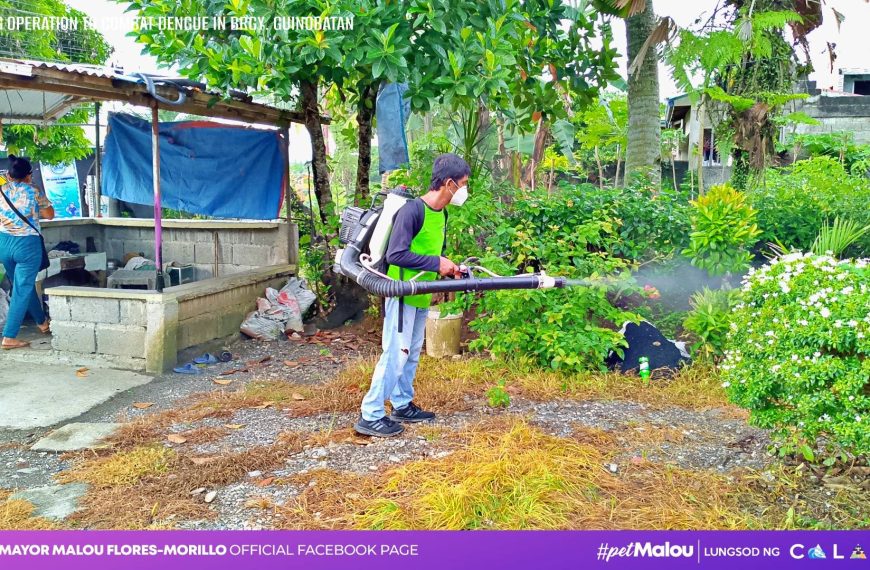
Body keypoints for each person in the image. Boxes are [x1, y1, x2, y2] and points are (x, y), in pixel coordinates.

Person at [355, 153, 470, 437]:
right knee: (396, 353)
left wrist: (447, 267)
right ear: (448, 183)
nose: (465, 190)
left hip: (421, 294)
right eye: (464, 184)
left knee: (411, 353)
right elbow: (397, 254)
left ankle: (402, 404)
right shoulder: (412, 211)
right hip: (402, 293)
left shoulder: (440, 213)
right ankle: (370, 415)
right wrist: (435, 264)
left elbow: (429, 253)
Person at [0, 155, 55, 349]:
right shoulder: (34, 191)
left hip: (4, 244)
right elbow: (50, 215)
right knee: (22, 289)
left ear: (8, 174)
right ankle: (9, 336)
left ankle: (42, 323)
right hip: (27, 246)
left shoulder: (1, 189)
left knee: (23, 284)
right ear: (28, 176)